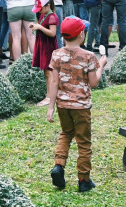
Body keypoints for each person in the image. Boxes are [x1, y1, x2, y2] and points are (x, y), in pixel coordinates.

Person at [46, 16, 108, 193]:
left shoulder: (56, 55)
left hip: (62, 106)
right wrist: (101, 65)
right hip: (81, 107)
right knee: (83, 142)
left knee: (66, 133)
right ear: (81, 34)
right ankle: (83, 180)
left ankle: (59, 165)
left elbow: (53, 82)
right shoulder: (88, 56)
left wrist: (51, 107)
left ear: (63, 36)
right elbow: (94, 82)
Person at [30, 0, 58, 107]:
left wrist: (40, 27)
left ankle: (50, 97)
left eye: (40, 8)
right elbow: (41, 25)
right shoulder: (43, 15)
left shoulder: (52, 17)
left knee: (49, 72)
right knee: (46, 72)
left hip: (48, 48)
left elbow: (52, 33)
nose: (39, 11)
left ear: (47, 5)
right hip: (42, 46)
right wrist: (35, 26)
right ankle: (49, 95)